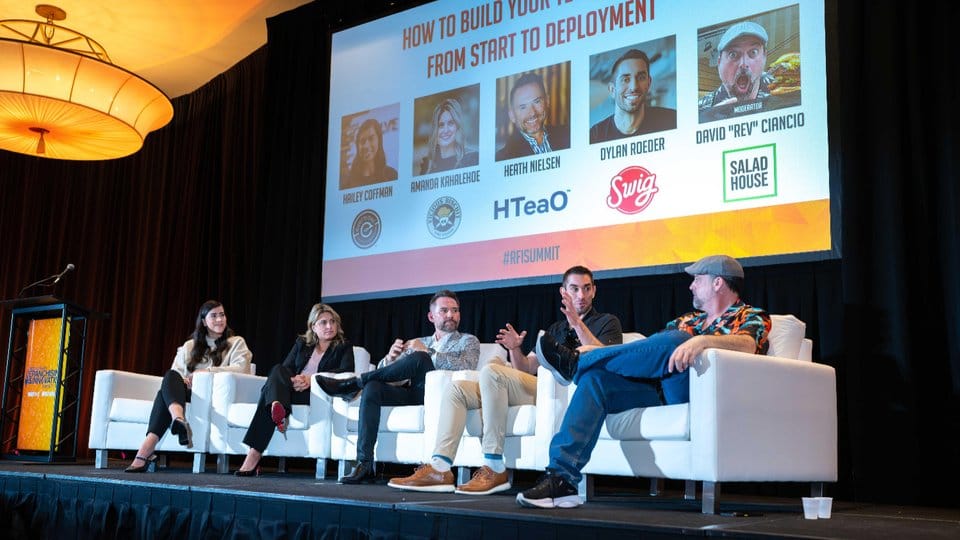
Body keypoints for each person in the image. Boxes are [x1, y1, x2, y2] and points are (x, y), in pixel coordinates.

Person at [516, 255, 771, 508]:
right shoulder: (687, 320)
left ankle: (577, 363)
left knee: (677, 340)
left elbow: (748, 345)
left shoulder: (750, 315)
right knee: (596, 380)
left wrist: (701, 341)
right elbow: (648, 352)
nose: (691, 286)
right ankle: (561, 481)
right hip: (657, 388)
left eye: (697, 280)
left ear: (717, 283)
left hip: (698, 389)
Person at [388, 266, 622, 495]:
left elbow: (605, 358)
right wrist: (514, 349)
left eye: (586, 288)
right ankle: (440, 468)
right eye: (574, 289)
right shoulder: (555, 329)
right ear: (564, 292)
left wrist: (577, 323)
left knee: (492, 371)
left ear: (594, 291)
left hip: (571, 390)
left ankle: (494, 466)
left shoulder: (607, 322)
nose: (580, 295)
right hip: (541, 388)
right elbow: (526, 367)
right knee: (457, 389)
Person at [317, 289, 480, 484]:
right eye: (444, 310)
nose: (450, 315)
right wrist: (390, 358)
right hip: (413, 394)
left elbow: (466, 365)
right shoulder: (419, 341)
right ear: (431, 316)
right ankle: (365, 463)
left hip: (442, 398)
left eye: (455, 310)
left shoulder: (468, 340)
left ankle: (355, 383)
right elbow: (390, 374)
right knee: (373, 388)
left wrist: (427, 352)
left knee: (420, 357)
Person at [124, 300, 252, 472]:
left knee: (163, 394)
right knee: (170, 377)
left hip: (214, 396)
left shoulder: (236, 342)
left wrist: (207, 371)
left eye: (222, 314)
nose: (220, 319)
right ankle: (178, 419)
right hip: (186, 393)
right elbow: (175, 373)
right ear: (204, 321)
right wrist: (184, 380)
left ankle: (146, 450)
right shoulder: (189, 346)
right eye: (214, 315)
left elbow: (241, 369)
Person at [233, 303, 355, 476]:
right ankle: (278, 406)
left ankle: (254, 453)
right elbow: (286, 368)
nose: (329, 326)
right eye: (323, 322)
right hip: (292, 390)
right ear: (313, 326)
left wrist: (311, 379)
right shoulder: (302, 343)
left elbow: (346, 372)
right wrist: (295, 379)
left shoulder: (343, 347)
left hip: (314, 395)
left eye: (332, 321)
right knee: (277, 370)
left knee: (269, 391)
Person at [589, 49, 677, 144]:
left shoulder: (672, 120)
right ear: (612, 89)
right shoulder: (595, 136)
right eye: (625, 79)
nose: (634, 87)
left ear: (648, 83)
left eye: (641, 78)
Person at [698, 21, 772, 114]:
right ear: (719, 62)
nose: (744, 64)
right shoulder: (701, 111)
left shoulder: (786, 90)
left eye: (753, 52)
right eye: (733, 54)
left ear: (764, 57)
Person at [495, 72, 570, 161]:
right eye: (523, 107)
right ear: (512, 115)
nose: (532, 113)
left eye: (537, 102)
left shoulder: (568, 134)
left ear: (547, 101)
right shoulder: (503, 158)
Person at [417, 98, 479, 175]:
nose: (446, 130)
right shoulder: (427, 165)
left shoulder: (471, 159)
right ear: (435, 130)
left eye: (450, 123)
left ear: (457, 126)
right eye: (441, 125)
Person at [341, 118, 398, 189]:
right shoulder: (348, 184)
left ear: (379, 140)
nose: (366, 146)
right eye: (362, 141)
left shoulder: (391, 175)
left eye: (371, 138)